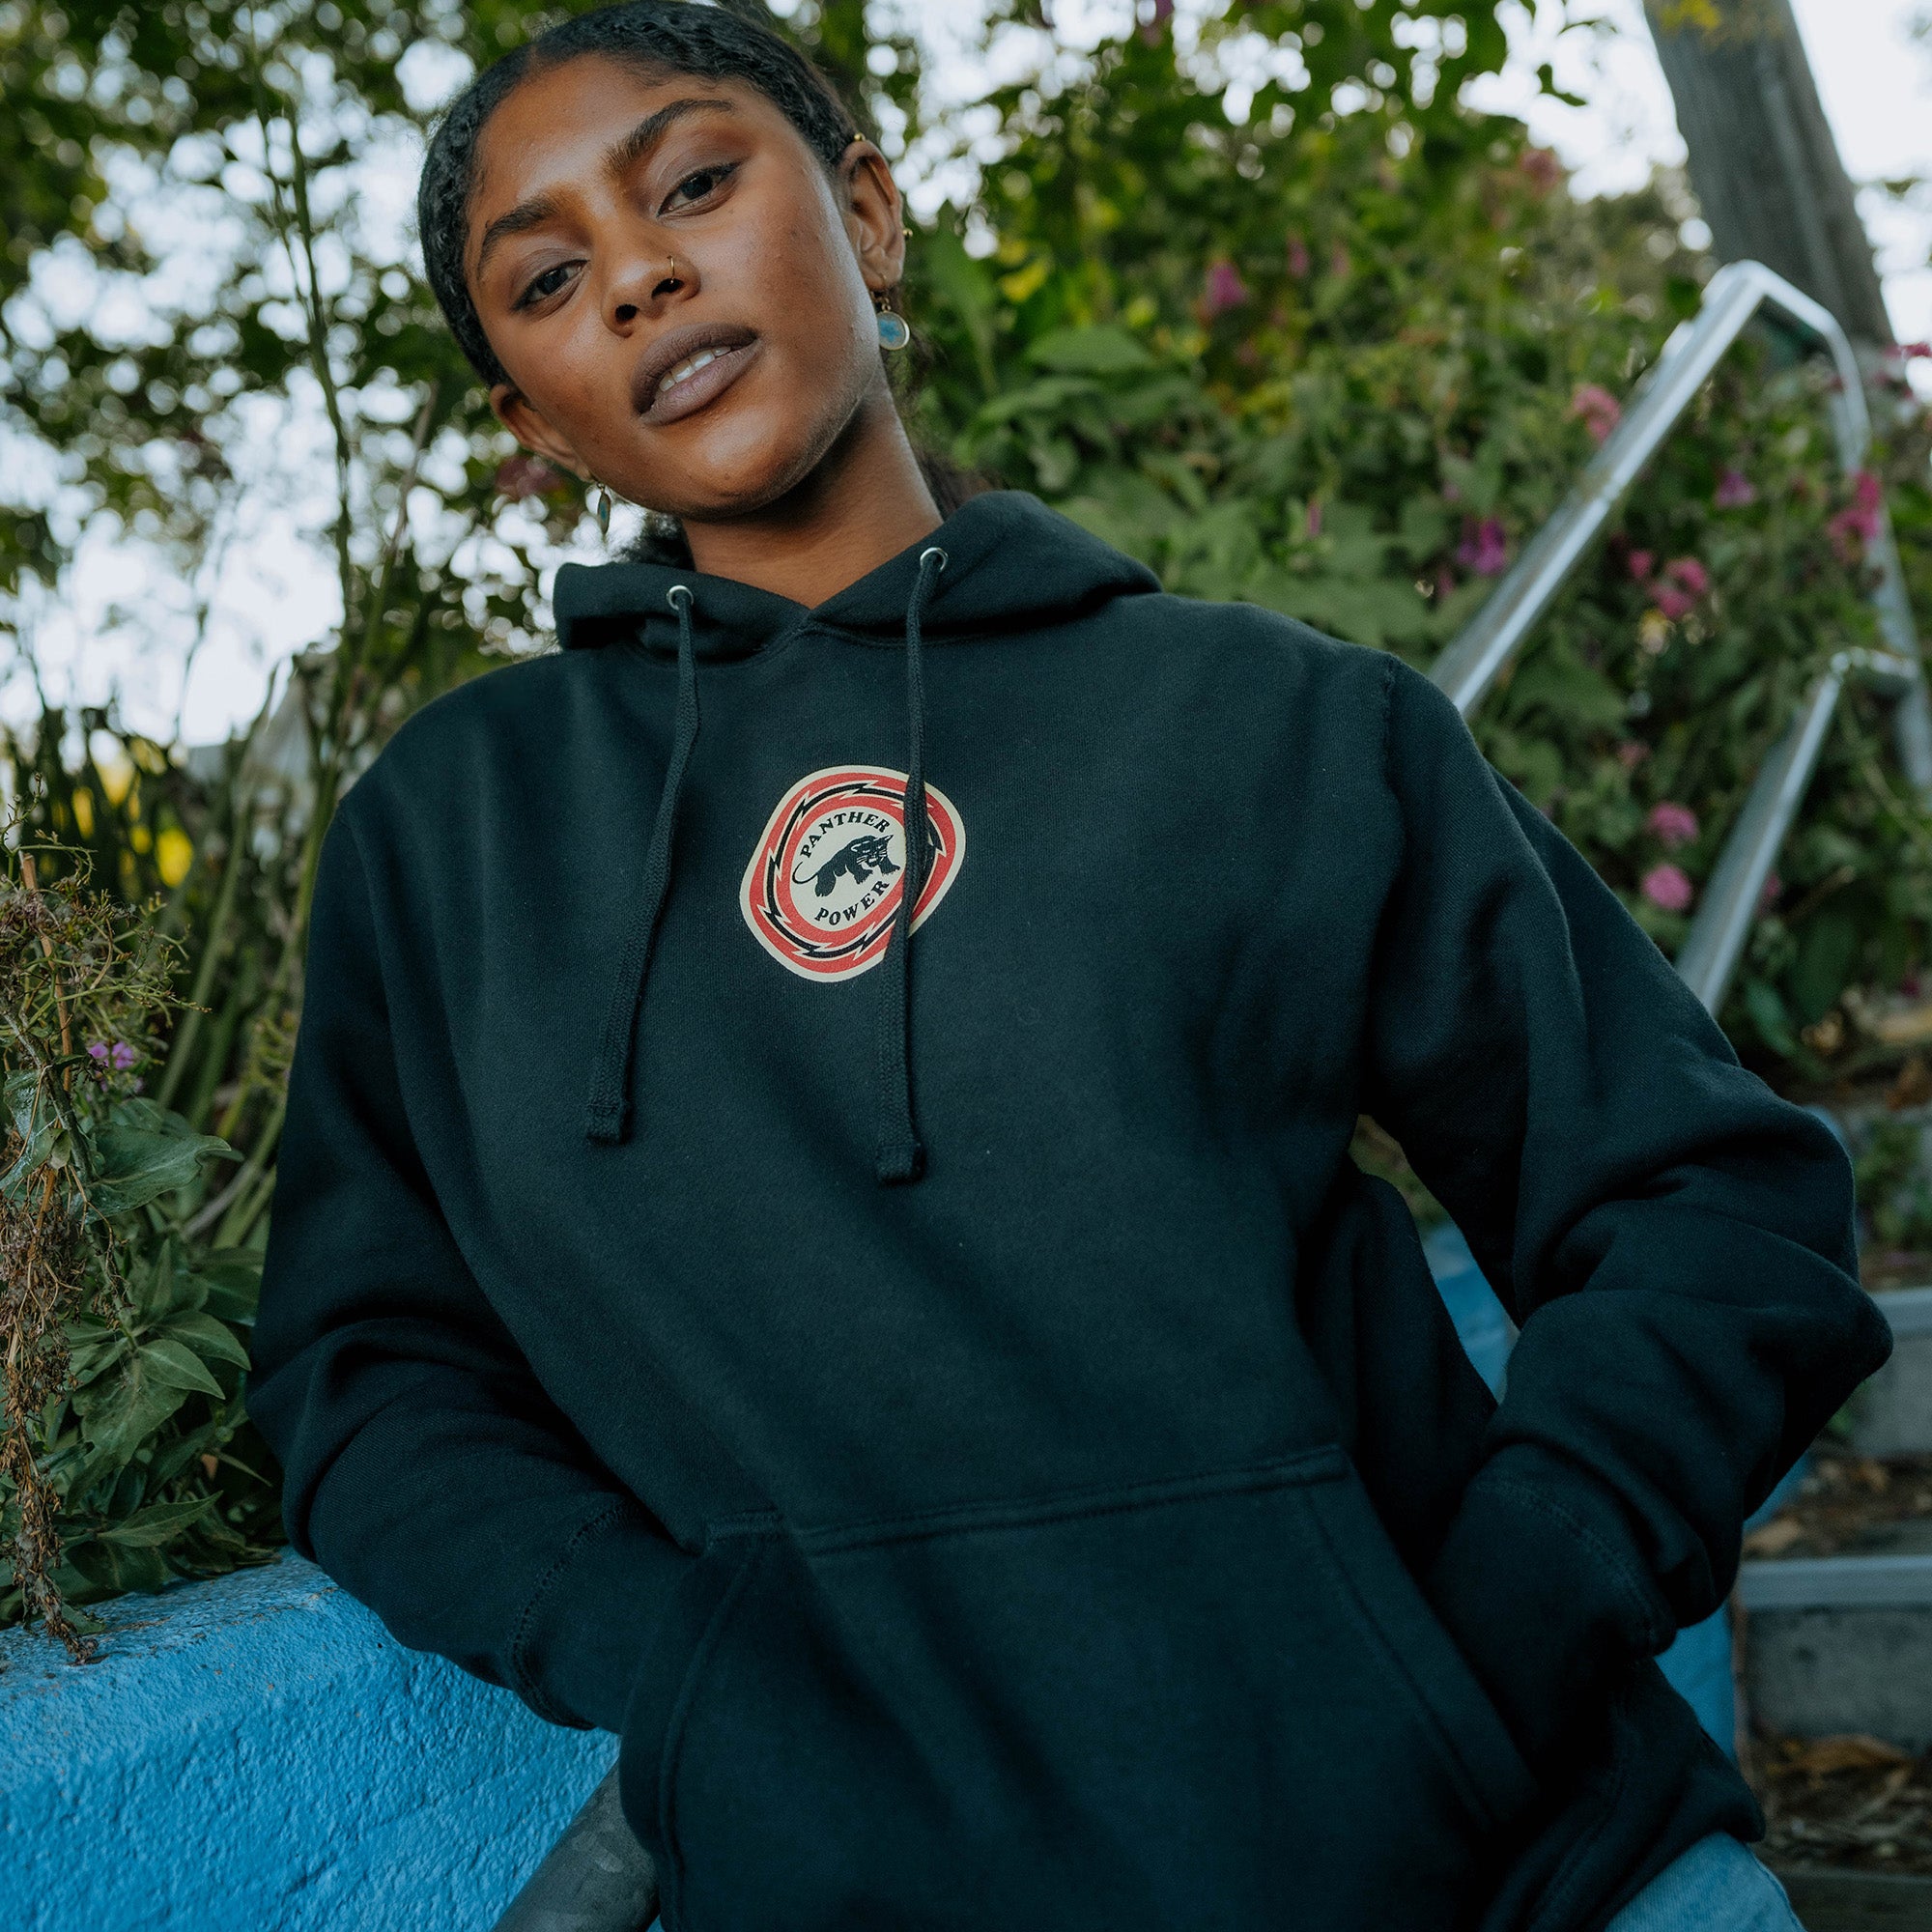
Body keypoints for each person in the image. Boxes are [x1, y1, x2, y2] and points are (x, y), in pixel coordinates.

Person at [246, 7, 1889, 1930]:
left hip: (1510, 1876)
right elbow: (368, 1378)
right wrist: (691, 1679)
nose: (640, 272)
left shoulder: (1269, 723)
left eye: (696, 178)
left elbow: (1709, 1201)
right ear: (530, 419)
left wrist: (1481, 1651)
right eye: (545, 278)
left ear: (867, 213)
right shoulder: (453, 841)